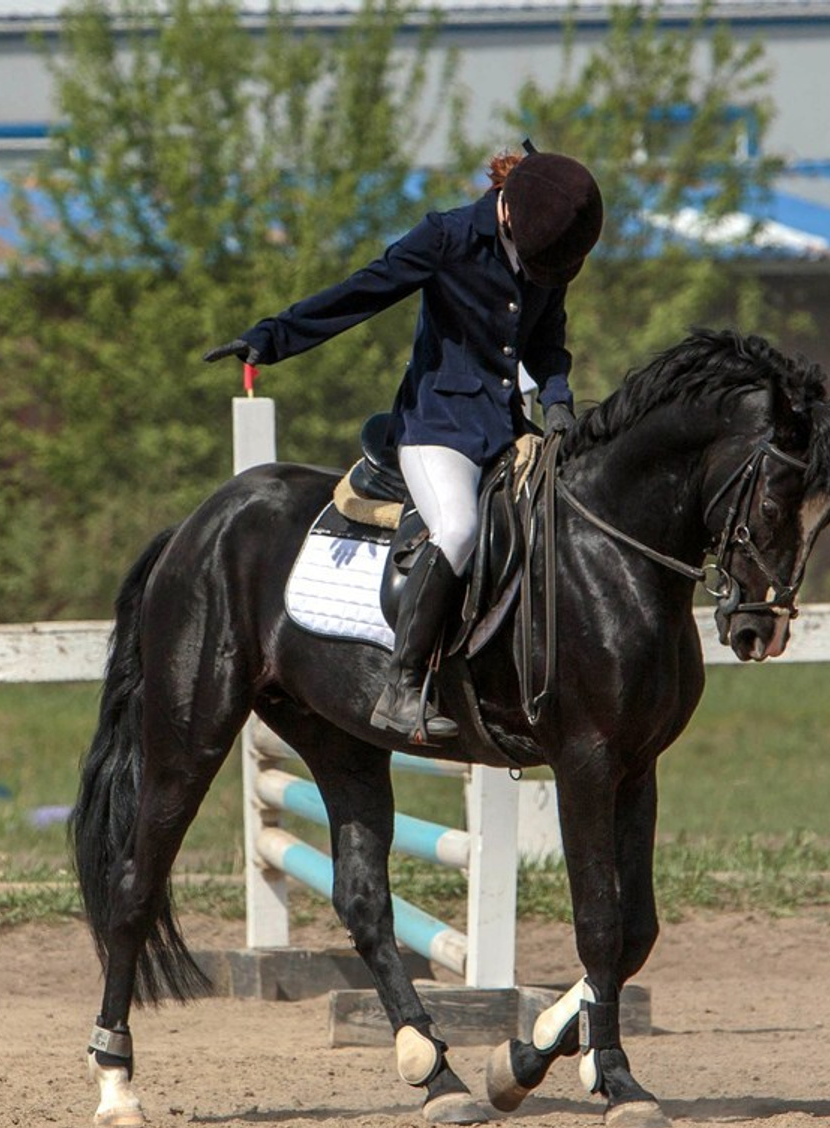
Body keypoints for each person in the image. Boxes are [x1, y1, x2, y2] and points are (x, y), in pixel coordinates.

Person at [205, 148, 603, 742]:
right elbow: (362, 291)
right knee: (458, 529)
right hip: (437, 428)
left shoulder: (546, 247)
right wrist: (273, 337)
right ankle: (404, 683)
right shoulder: (445, 238)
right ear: (509, 215)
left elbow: (547, 340)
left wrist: (559, 399)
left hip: (508, 431)